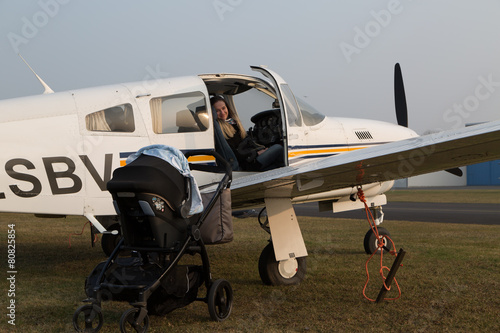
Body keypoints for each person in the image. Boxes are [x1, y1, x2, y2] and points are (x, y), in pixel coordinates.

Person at [210, 95, 283, 171]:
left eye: (223, 108)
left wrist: (260, 149)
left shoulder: (231, 122)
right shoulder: (219, 130)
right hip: (247, 163)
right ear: (213, 113)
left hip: (250, 158)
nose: (222, 112)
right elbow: (235, 154)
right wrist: (256, 153)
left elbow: (244, 141)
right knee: (279, 148)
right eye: (217, 111)